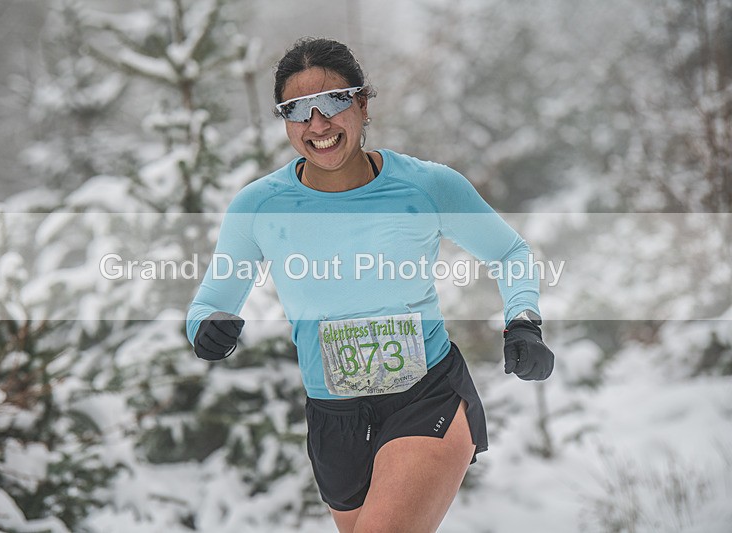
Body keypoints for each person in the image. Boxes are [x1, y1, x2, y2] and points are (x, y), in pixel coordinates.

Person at [186, 37, 555, 533]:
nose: (318, 123)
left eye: (334, 102)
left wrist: (523, 323)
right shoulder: (259, 206)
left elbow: (511, 253)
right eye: (297, 109)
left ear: (362, 104)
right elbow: (211, 301)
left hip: (427, 397)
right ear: (285, 120)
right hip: (333, 418)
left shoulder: (426, 187)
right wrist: (207, 328)